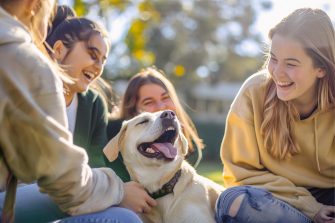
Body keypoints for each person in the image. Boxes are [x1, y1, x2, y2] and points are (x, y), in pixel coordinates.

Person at [0, 1, 143, 222]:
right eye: (92, 54)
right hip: (18, 198)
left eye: (102, 61)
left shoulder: (91, 103)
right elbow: (63, 182)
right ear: (34, 5)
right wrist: (119, 191)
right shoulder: (24, 64)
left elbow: (91, 162)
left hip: (36, 197)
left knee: (122, 218)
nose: (98, 67)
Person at [215, 8, 335, 223]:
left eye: (291, 64)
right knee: (231, 201)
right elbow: (241, 174)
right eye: (273, 58)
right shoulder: (254, 92)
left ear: (321, 68)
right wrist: (310, 208)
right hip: (279, 199)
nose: (277, 72)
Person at [106, 66, 204, 181]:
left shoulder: (188, 141)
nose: (162, 107)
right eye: (149, 102)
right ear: (133, 112)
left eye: (166, 98)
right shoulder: (115, 134)